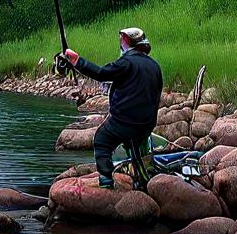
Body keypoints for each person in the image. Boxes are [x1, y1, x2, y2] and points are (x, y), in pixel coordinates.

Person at [56, 28, 163, 189]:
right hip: (146, 123)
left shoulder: (126, 62)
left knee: (101, 140)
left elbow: (101, 73)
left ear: (126, 42)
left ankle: (106, 183)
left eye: (121, 40)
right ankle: (145, 181)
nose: (120, 43)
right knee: (135, 147)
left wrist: (77, 61)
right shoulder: (155, 66)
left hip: (125, 121)